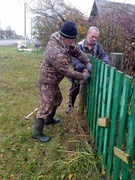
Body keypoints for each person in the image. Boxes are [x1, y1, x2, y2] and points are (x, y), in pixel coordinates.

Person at [32, 21, 92, 143]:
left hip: (54, 81)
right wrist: (83, 75)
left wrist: (87, 62)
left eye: (74, 39)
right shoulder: (55, 52)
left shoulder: (64, 41)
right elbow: (67, 71)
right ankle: (37, 133)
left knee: (57, 99)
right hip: (47, 81)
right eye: (71, 40)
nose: (73, 43)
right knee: (46, 105)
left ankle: (49, 120)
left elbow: (75, 51)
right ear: (64, 37)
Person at [66, 26, 109, 114]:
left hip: (92, 71)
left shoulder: (98, 46)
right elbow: (75, 59)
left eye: (96, 37)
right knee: (75, 90)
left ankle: (86, 107)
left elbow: (104, 55)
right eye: (92, 36)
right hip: (80, 71)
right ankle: (70, 105)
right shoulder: (80, 45)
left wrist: (105, 62)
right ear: (87, 34)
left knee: (89, 90)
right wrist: (82, 69)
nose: (94, 39)